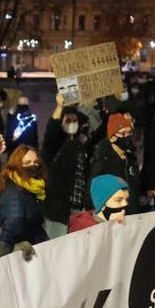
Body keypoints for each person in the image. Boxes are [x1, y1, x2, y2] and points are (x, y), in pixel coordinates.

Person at [41, 97, 90, 237]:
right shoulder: (54, 145)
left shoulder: (79, 144)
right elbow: (51, 130)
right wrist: (59, 106)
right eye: (68, 121)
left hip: (77, 208)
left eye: (74, 121)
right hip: (58, 209)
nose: (72, 124)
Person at [0, 146, 49, 249]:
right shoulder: (13, 190)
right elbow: (13, 220)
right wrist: (9, 246)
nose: (33, 166)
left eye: (36, 162)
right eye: (27, 163)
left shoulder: (34, 187)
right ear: (17, 165)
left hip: (35, 243)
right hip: (23, 250)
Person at [88, 113, 138, 205]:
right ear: (112, 138)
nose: (128, 136)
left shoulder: (131, 159)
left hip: (133, 214)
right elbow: (92, 194)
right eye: (123, 133)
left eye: (129, 132)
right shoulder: (102, 162)